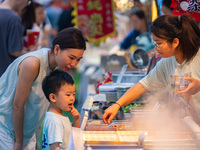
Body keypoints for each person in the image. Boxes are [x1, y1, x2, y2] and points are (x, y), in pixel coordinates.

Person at [103, 14, 200, 124]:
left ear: (175, 42)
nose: (156, 48)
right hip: (185, 127)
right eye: (155, 43)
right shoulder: (167, 62)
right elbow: (144, 85)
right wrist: (117, 105)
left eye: (159, 43)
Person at [0, 27, 87, 150]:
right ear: (57, 49)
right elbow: (17, 105)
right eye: (71, 57)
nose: (74, 64)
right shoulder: (32, 64)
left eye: (78, 59)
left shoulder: (58, 66)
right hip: (6, 128)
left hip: (26, 131)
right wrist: (19, 142)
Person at [41, 69, 80, 149]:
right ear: (53, 97)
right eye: (68, 95)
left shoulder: (59, 117)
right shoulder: (54, 121)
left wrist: (77, 118)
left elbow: (73, 135)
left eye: (73, 94)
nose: (72, 98)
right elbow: (54, 147)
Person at [0, 0, 31, 76]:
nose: (26, 5)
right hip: (5, 75)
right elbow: (15, 51)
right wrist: (34, 54)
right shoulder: (13, 18)